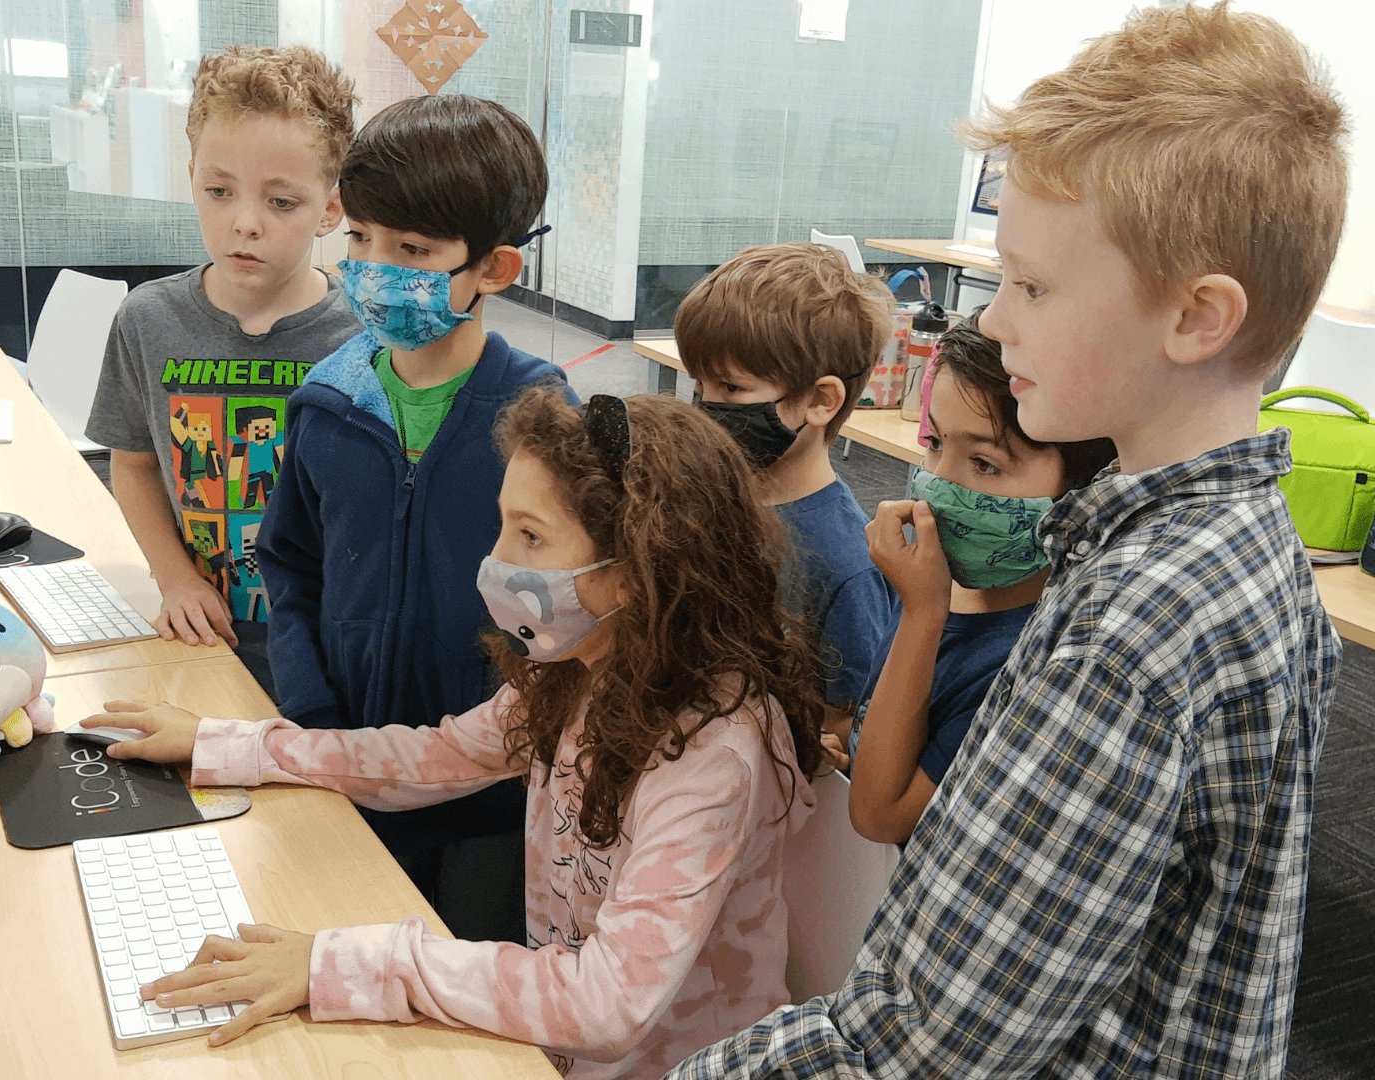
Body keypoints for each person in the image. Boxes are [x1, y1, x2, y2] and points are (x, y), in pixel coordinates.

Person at [667, 3, 1346, 1076]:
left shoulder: (1133, 636)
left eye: (1031, 285)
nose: (992, 322)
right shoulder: (1235, 541)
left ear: (1196, 318)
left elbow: (925, 1043)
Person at [82, 391, 826, 1080]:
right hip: (562, 1053)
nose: (497, 560)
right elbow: (435, 755)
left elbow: (607, 1005)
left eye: (530, 535)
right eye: (504, 525)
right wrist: (229, 745)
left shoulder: (712, 751)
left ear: (637, 572)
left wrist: (341, 964)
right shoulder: (578, 667)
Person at [255, 93, 571, 942]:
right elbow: (289, 567)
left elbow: (571, 606)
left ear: (495, 269)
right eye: (360, 238)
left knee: (463, 1005)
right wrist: (314, 714)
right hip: (344, 763)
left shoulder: (543, 420)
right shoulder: (327, 404)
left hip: (489, 799)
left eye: (413, 249)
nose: (374, 266)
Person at [85, 45, 361, 695]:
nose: (244, 223)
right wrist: (173, 576)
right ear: (191, 180)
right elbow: (134, 463)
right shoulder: (148, 320)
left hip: (330, 648)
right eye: (219, 190)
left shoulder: (365, 338)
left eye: (282, 202)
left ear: (330, 208)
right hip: (203, 634)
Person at [844, 316, 1113, 843]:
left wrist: (924, 613)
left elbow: (881, 815)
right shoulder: (938, 573)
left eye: (985, 464)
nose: (938, 485)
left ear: (1078, 488)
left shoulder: (1023, 659)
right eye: (936, 443)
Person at [674, 243, 899, 751]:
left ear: (821, 401)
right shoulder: (701, 502)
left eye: (731, 389)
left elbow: (841, 722)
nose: (707, 407)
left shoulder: (847, 564)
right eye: (700, 385)